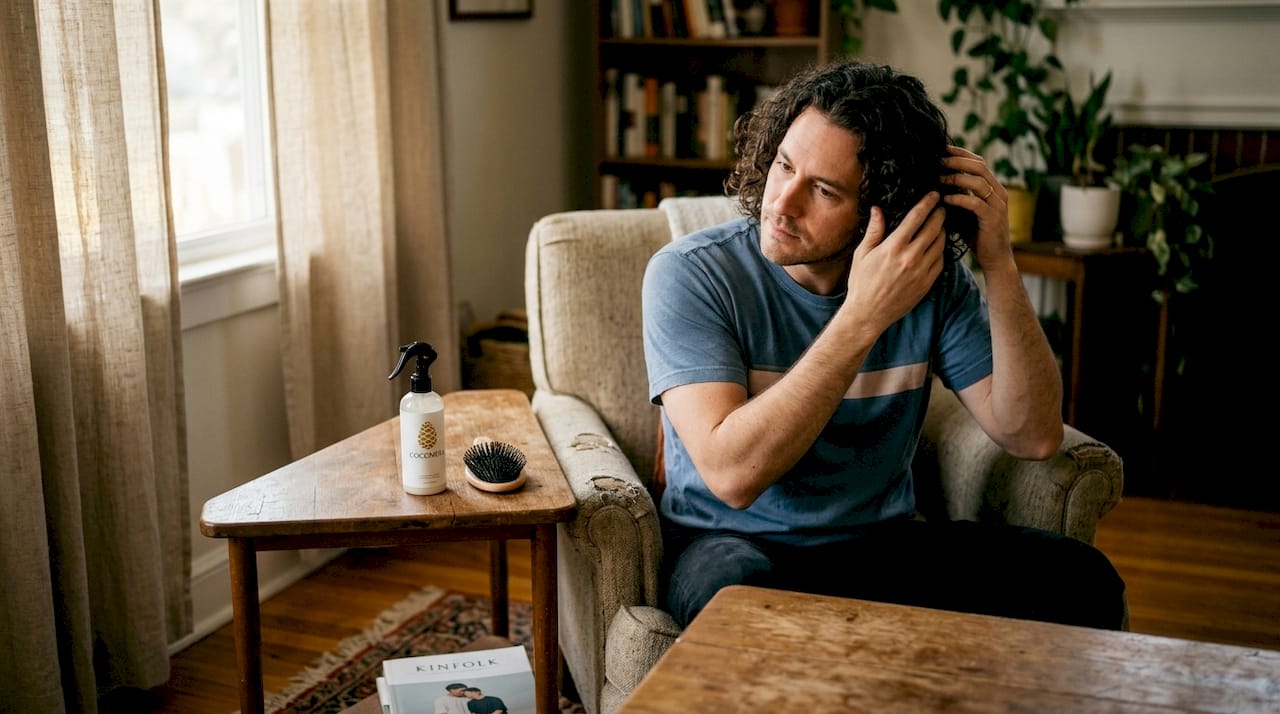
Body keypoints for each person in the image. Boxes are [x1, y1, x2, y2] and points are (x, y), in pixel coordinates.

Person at [641, 59, 1126, 631]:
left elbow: (1033, 433)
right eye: (783, 166)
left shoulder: (932, 281)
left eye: (822, 189)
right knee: (744, 600)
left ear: (886, 209)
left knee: (1081, 578)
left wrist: (998, 260)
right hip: (728, 542)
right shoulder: (692, 274)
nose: (783, 202)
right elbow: (732, 475)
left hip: (877, 543)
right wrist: (862, 316)